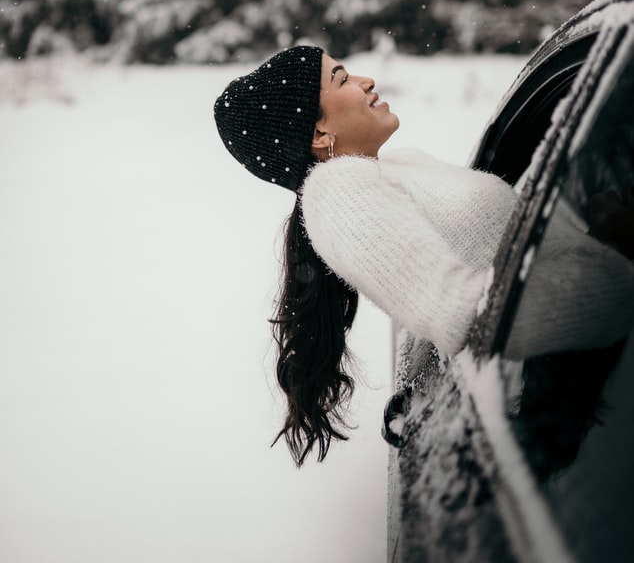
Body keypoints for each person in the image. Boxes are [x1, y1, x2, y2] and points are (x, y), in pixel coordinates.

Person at [213, 45, 634, 466]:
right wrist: (622, 280)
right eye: (341, 79)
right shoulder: (338, 193)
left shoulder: (397, 168)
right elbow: (468, 318)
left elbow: (492, 256)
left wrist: (598, 243)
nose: (367, 81)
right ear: (319, 134)